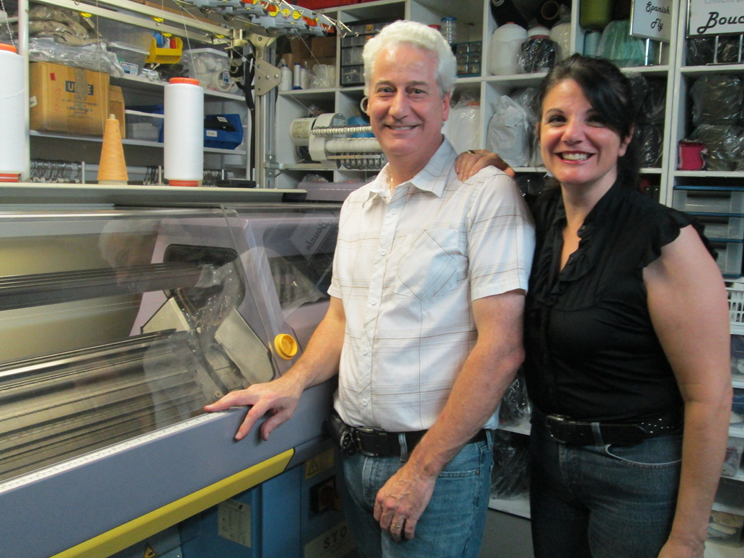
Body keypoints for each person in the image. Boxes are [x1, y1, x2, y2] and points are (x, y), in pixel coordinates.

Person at [205, 20, 535, 558]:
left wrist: (421, 470)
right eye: (385, 90)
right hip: (354, 455)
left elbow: (501, 349)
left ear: (446, 104)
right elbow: (341, 320)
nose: (398, 106)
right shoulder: (358, 205)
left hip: (437, 464)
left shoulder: (484, 194)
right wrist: (289, 384)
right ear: (367, 101)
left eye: (416, 91)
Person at [515, 54, 731, 558]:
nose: (574, 134)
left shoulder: (664, 240)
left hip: (636, 469)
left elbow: (710, 398)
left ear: (627, 136)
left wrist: (687, 538)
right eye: (558, 118)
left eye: (597, 119)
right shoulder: (533, 217)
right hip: (549, 457)